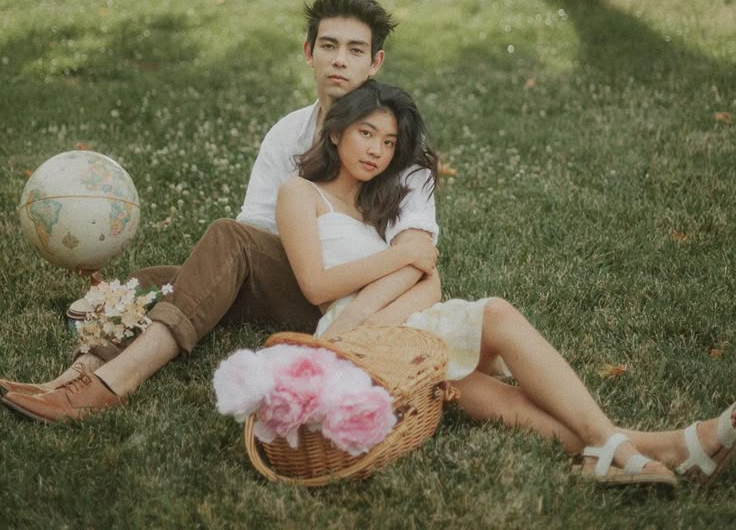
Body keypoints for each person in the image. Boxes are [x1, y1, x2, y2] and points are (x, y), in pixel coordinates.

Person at [0, 0, 440, 423]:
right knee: (154, 282)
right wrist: (219, 275)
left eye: (355, 49)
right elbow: (258, 229)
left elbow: (417, 257)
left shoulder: (396, 148)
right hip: (291, 278)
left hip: (340, 297)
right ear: (310, 52)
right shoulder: (287, 133)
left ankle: (115, 382)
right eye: (329, 45)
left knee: (226, 242)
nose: (339, 60)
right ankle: (73, 376)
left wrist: (356, 323)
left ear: (375, 63)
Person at [274, 80, 736, 488]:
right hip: (349, 339)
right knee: (494, 312)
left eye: (389, 142)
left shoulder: (381, 204)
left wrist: (399, 302)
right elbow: (316, 286)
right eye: (366, 133)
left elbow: (428, 278)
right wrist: (395, 268)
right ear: (336, 133)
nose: (376, 150)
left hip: (397, 326)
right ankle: (664, 446)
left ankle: (632, 449)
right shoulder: (301, 193)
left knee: (497, 400)